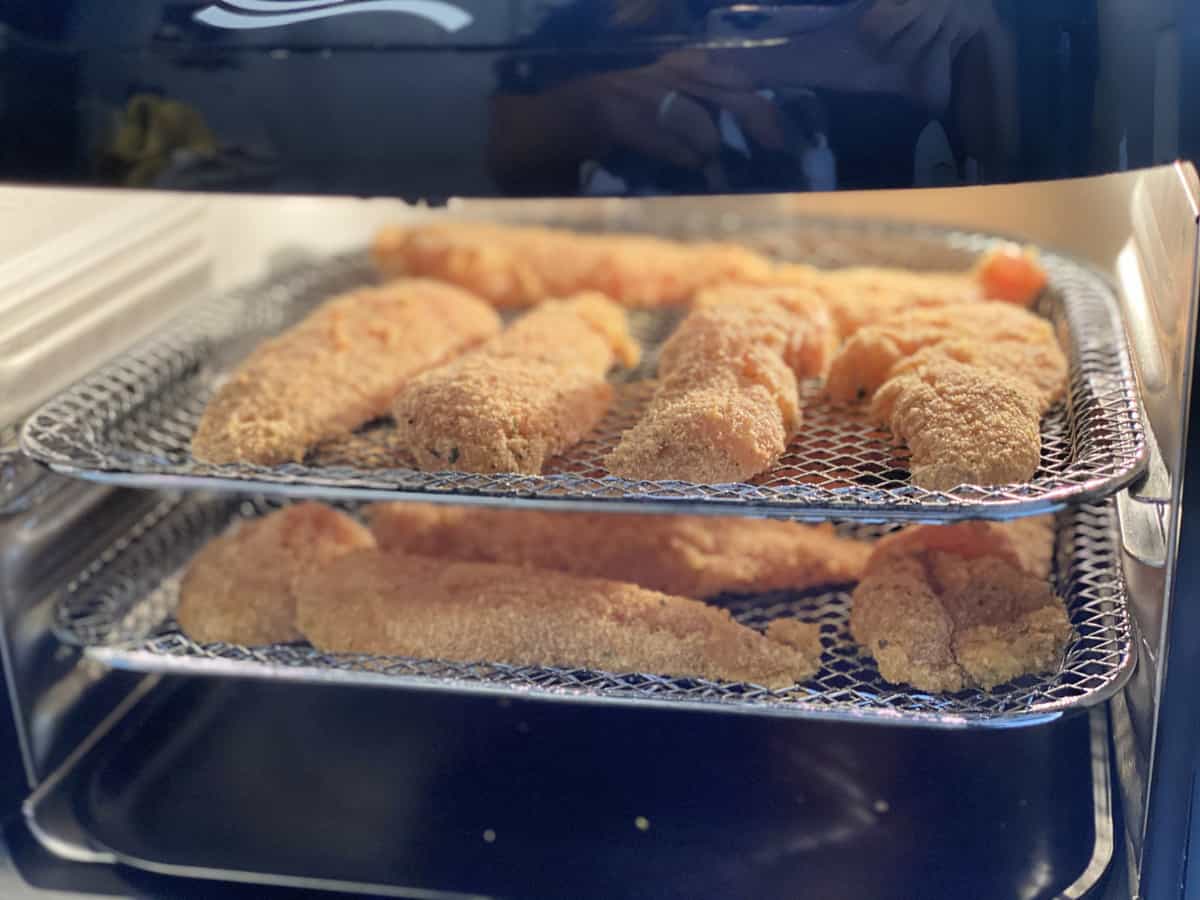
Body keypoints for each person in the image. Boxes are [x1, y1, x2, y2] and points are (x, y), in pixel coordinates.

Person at [488, 0, 1019, 195]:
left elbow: (1007, 165)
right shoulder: (596, 20)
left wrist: (981, 37)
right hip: (642, 295)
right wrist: (597, 107)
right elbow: (502, 154)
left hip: (865, 288)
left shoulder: (899, 17)